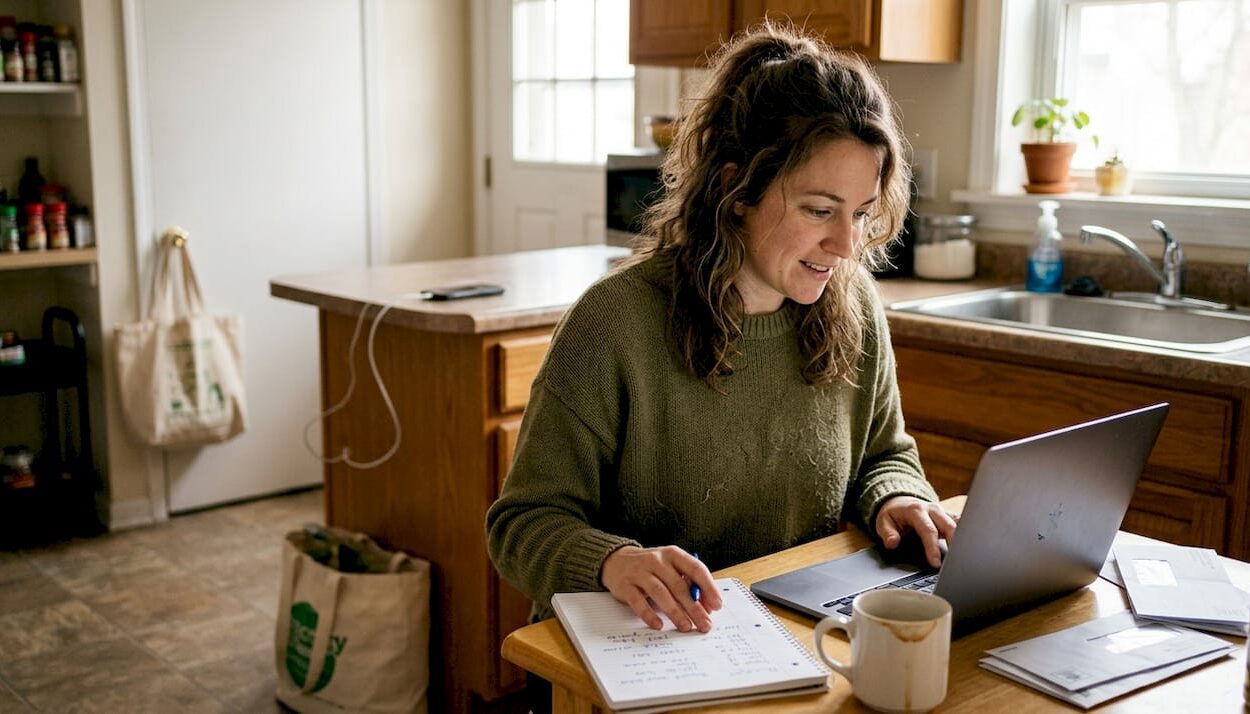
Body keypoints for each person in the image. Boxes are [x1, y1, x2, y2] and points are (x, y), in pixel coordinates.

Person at [486, 22, 956, 639]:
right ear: (737, 189)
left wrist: (897, 498)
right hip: (651, 645)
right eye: (819, 210)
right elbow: (524, 522)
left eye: (861, 214)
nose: (846, 245)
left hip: (796, 637)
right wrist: (613, 561)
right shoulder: (615, 322)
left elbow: (883, 455)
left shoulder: (856, 305)